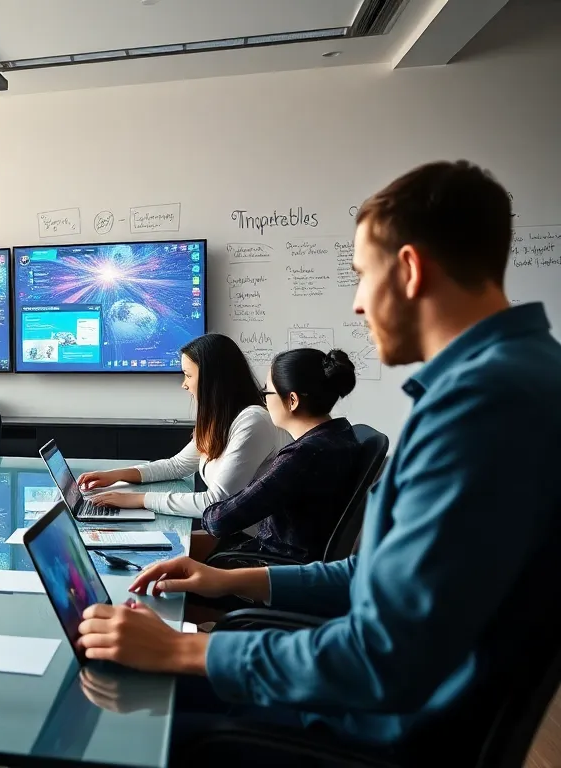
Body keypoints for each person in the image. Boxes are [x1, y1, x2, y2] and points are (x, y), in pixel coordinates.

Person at [74, 161, 561, 765]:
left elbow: (383, 655)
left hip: (375, 728)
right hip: (379, 701)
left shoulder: (485, 410)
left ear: (408, 269)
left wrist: (183, 652)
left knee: (101, 708)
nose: (357, 305)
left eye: (360, 276)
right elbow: (372, 578)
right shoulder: (514, 379)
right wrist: (233, 580)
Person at [78, 334, 289, 517]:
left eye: (188, 375)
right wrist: (116, 475)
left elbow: (216, 502)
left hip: (249, 540)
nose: (184, 384)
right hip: (223, 531)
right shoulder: (222, 419)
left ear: (212, 379)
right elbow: (177, 465)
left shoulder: (253, 422)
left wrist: (139, 500)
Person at [192, 348, 361, 562]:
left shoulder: (304, 455)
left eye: (267, 392)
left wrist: (211, 510)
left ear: (292, 400)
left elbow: (218, 521)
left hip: (275, 568)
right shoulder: (341, 434)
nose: (264, 401)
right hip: (302, 561)